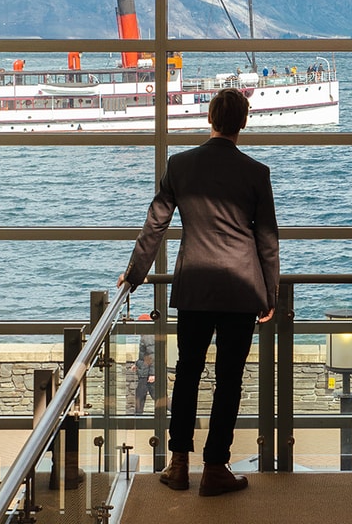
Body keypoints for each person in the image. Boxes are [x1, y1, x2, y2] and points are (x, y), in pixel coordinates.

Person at [118, 87, 279, 497]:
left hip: (195, 287)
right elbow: (267, 239)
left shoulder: (180, 165)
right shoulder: (257, 172)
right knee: (229, 379)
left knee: (187, 373)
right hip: (241, 288)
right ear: (243, 123)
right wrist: (270, 293)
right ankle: (215, 468)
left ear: (209, 118)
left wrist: (134, 274)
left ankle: (178, 464)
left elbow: (155, 225)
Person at [133, 313, 156, 414]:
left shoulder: (147, 337)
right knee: (141, 395)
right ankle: (138, 417)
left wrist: (152, 374)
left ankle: (138, 417)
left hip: (146, 373)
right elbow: (144, 356)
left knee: (141, 396)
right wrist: (137, 364)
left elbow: (153, 356)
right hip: (145, 371)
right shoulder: (148, 336)